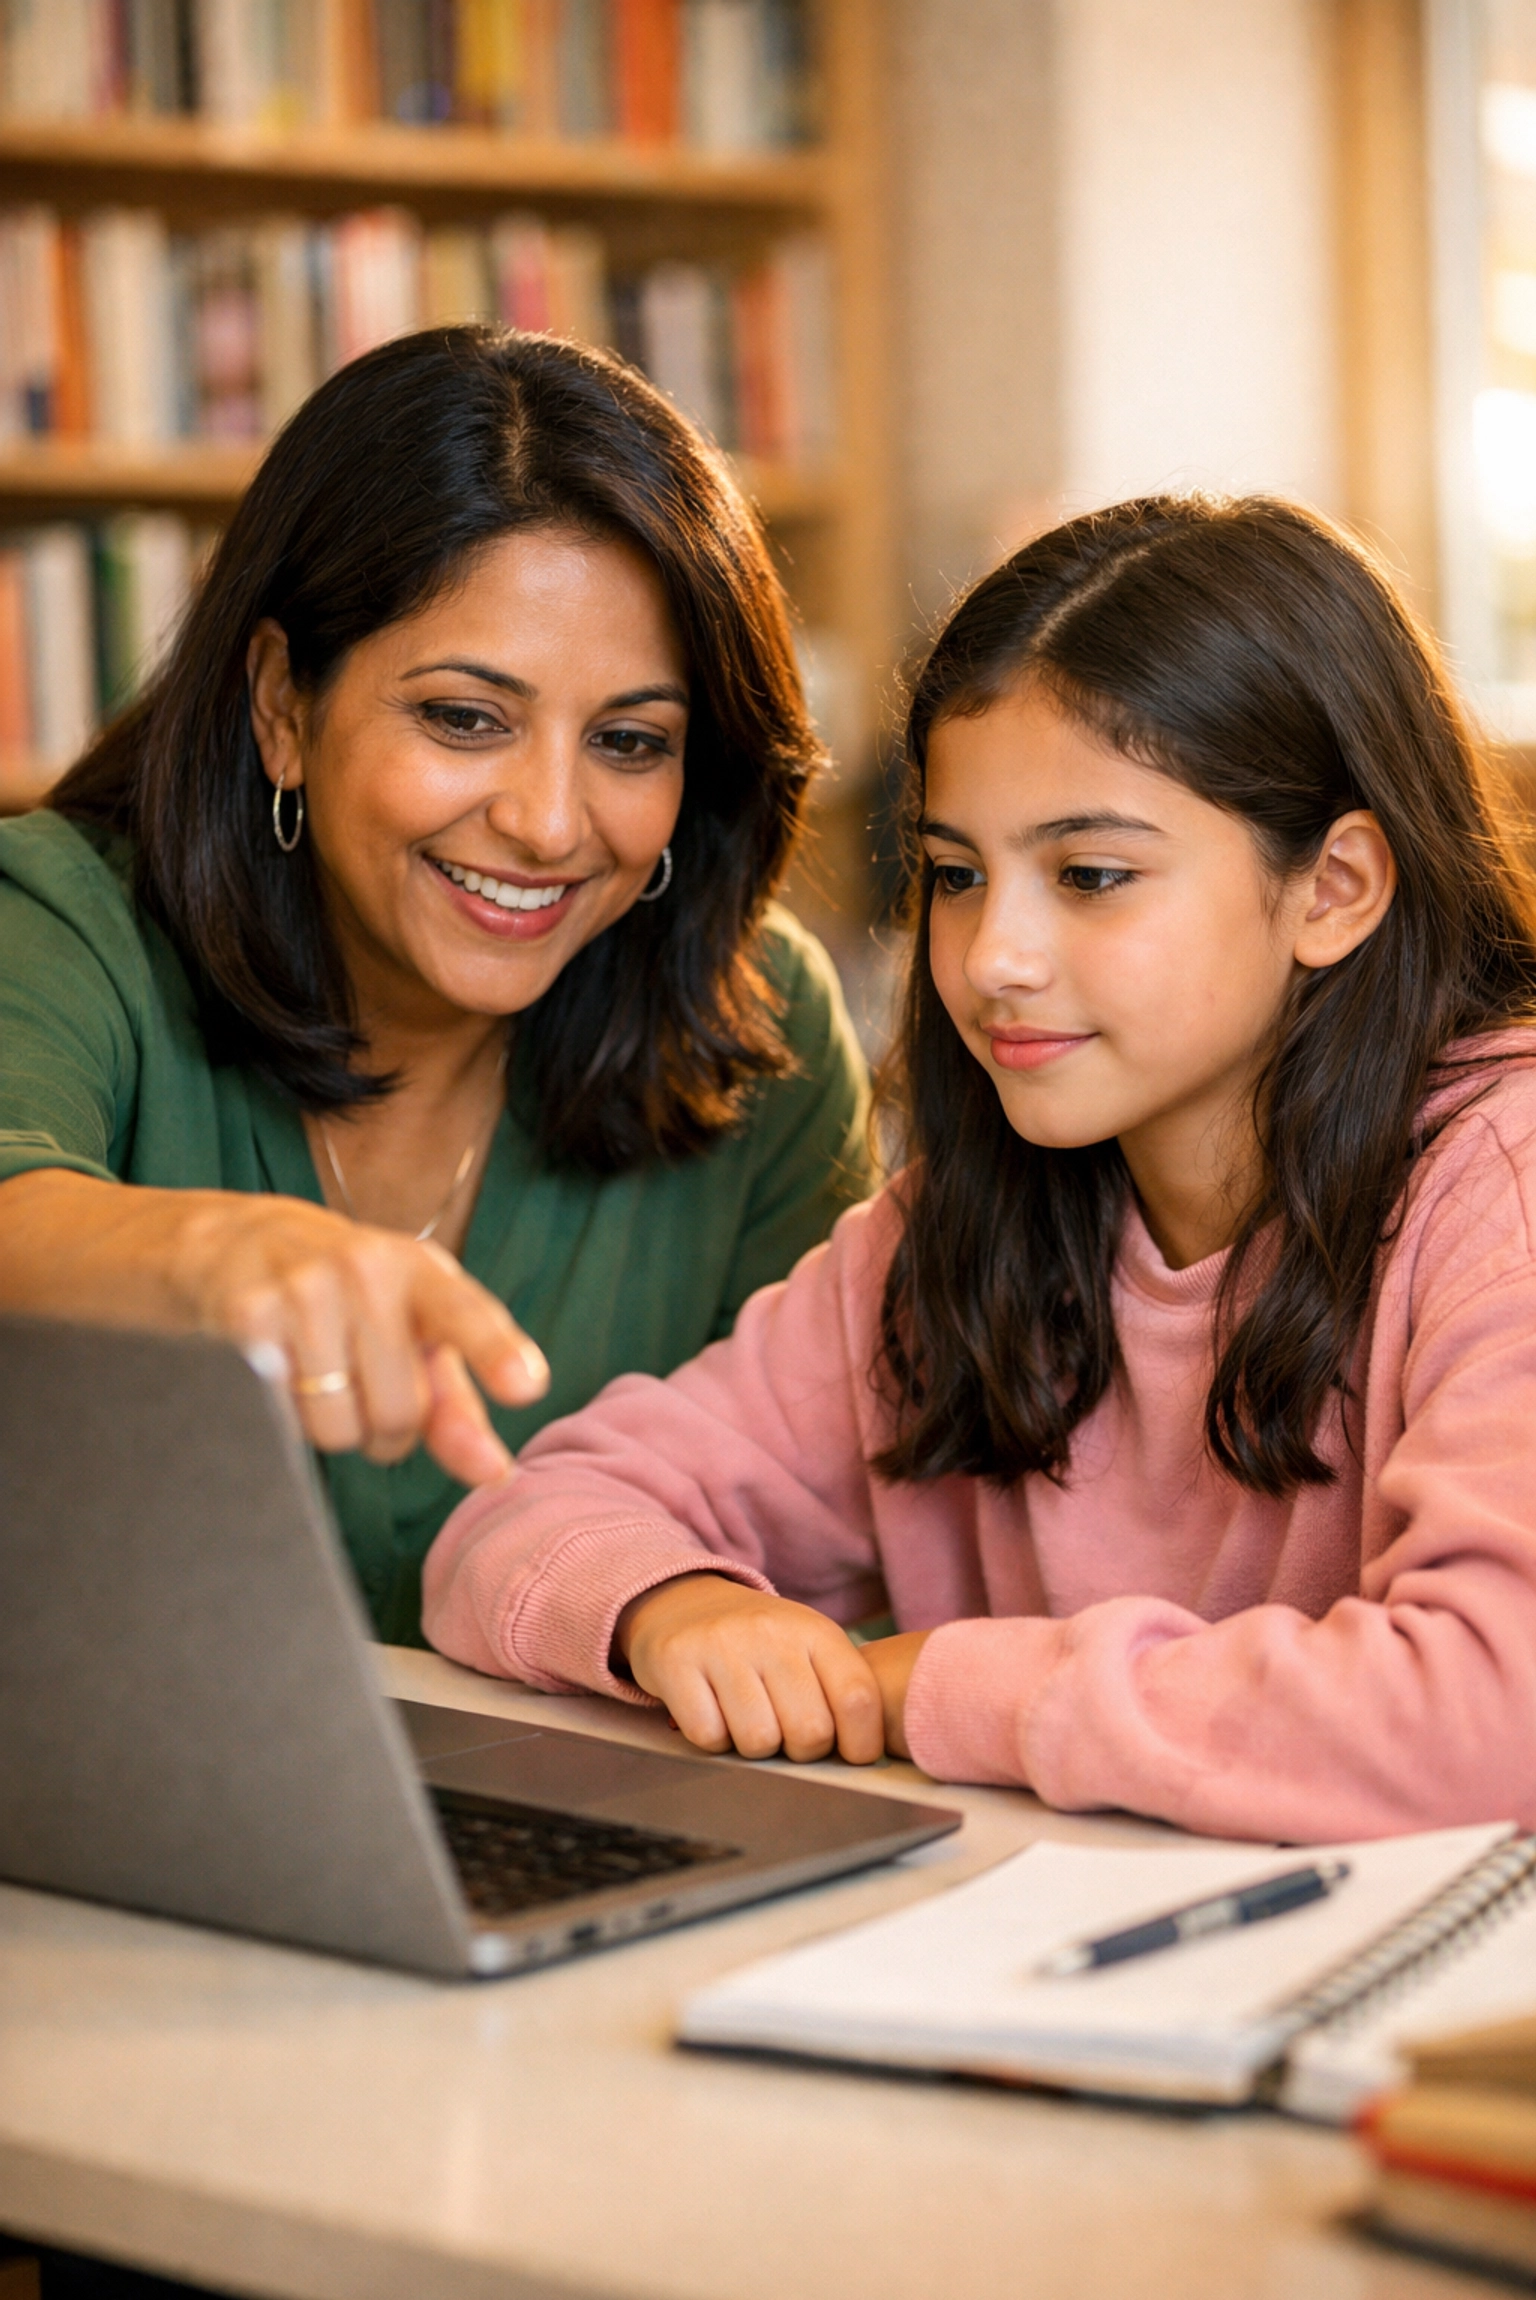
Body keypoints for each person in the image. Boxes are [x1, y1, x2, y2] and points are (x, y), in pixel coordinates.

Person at [423, 492, 1536, 1844]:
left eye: (1090, 876)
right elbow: (516, 1531)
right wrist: (673, 1609)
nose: (992, 956)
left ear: (1337, 888)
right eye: (956, 875)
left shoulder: (1503, 1183)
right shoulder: (957, 1228)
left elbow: (1487, 1720)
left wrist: (945, 1689)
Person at [0, 327, 872, 1646]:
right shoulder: (59, 913)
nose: (545, 821)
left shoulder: (761, 1026)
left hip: (606, 1811)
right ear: (284, 704)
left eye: (631, 741)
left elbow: (829, 1532)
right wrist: (223, 1258)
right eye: (464, 717)